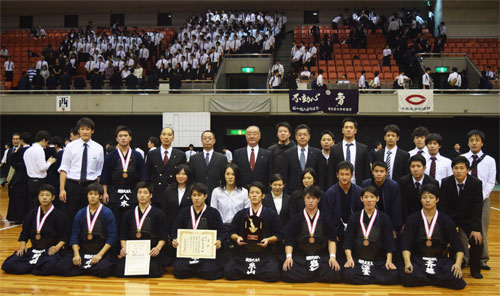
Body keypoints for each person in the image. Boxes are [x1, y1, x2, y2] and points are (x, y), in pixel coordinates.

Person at [401, 184, 466, 289]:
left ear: (437, 199)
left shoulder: (446, 220)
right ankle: (436, 280)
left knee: (456, 280)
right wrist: (408, 263)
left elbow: (458, 246)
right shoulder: (412, 219)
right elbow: (406, 245)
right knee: (406, 277)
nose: (427, 200)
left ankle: (426, 279)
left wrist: (457, 264)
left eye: (431, 197)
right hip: (418, 259)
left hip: (440, 260)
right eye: (424, 197)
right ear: (420, 200)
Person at [2, 184, 67, 275]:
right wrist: (22, 246)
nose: (44, 198)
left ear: (53, 197)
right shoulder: (32, 214)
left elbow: (65, 236)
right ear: (38, 197)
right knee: (8, 264)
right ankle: (34, 268)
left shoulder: (59, 215)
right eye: (42, 195)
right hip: (34, 249)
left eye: (47, 195)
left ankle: (28, 268)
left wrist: (57, 247)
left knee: (49, 266)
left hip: (50, 250)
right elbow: (24, 233)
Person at [281, 185, 341, 283]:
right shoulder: (296, 219)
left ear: (318, 199)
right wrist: (288, 257)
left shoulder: (326, 218)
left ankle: (308, 276)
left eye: (313, 198)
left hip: (321, 256)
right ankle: (316, 275)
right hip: (301, 256)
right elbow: (289, 240)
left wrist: (332, 257)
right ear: (304, 198)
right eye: (308, 198)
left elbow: (332, 239)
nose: (310, 201)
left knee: (335, 272)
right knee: (287, 271)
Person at [224, 181, 282, 282]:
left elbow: (279, 235)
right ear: (248, 195)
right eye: (252, 193)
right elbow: (231, 233)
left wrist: (268, 240)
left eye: (257, 193)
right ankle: (256, 273)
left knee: (273, 275)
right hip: (244, 253)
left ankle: (248, 273)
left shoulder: (271, 214)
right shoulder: (241, 214)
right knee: (229, 272)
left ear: (263, 196)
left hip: (263, 254)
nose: (254, 195)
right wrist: (237, 238)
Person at [56, 183, 117, 277]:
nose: (92, 197)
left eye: (95, 194)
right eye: (90, 194)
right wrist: (76, 255)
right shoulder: (80, 213)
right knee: (61, 267)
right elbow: (74, 235)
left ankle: (85, 269)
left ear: (100, 196)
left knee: (104, 270)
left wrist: (100, 255)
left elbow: (112, 237)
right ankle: (88, 268)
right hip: (84, 251)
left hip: (100, 252)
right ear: (87, 196)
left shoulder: (107, 213)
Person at [342, 186, 399, 285]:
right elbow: (348, 240)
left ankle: (364, 279)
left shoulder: (384, 218)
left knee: (393, 275)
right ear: (361, 199)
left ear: (377, 199)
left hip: (377, 260)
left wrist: (389, 261)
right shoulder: (354, 217)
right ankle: (373, 278)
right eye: (366, 197)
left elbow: (389, 242)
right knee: (346, 273)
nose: (369, 200)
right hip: (358, 259)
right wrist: (349, 258)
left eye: (372, 197)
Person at [439, 156, 483, 279]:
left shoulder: (476, 183)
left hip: (469, 219)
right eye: (455, 168)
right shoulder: (446, 182)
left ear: (467, 169)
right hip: (451, 218)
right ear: (452, 169)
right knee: (446, 238)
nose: (458, 171)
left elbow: (477, 207)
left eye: (462, 168)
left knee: (477, 240)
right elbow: (443, 206)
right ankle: (451, 265)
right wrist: (447, 224)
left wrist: (476, 228)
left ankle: (475, 269)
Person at [172, 183, 226, 280]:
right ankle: (196, 270)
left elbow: (222, 231)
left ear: (205, 196)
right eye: (194, 195)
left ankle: (196, 269)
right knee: (179, 272)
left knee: (211, 273)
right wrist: (174, 239)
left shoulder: (213, 212)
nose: (197, 198)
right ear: (191, 197)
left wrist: (219, 241)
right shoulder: (184, 212)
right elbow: (175, 230)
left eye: (199, 195)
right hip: (187, 252)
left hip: (206, 252)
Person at [115, 182, 168, 277]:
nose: (142, 195)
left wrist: (157, 249)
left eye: (145, 193)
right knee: (119, 271)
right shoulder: (128, 214)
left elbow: (163, 236)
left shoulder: (159, 214)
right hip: (132, 252)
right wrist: (124, 248)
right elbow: (123, 236)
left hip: (150, 252)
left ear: (151, 195)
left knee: (153, 271)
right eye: (139, 192)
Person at [100, 126, 148, 228]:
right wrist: (104, 192)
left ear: (130, 138)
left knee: (132, 221)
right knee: (116, 221)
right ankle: (116, 243)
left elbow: (143, 177)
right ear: (117, 139)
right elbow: (105, 176)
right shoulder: (110, 156)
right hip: (114, 192)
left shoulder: (137, 156)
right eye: (120, 136)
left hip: (133, 192)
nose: (123, 138)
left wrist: (142, 193)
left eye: (125, 135)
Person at [462, 130, 496, 271]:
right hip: (464, 200)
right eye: (471, 140)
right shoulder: (462, 158)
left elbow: (490, 182)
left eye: (477, 140)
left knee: (481, 229)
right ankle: (464, 258)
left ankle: (482, 258)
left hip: (482, 200)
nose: (474, 142)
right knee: (463, 231)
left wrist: (479, 198)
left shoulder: (490, 160)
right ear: (468, 142)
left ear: (482, 142)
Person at [59, 117, 104, 222]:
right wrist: (62, 189)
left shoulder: (98, 148)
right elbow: (64, 169)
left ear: (92, 131)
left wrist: (99, 191)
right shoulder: (70, 147)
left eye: (88, 129)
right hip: (73, 185)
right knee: (70, 215)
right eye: (82, 129)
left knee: (89, 216)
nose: (85, 132)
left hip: (90, 186)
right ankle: (70, 238)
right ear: (78, 130)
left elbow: (99, 172)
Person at [322, 162, 363, 259]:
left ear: (352, 175)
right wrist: (333, 233)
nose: (344, 177)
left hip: (356, 231)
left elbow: (362, 213)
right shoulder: (330, 193)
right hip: (337, 232)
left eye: (347, 174)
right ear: (337, 175)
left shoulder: (359, 191)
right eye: (342, 174)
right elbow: (327, 216)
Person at [146, 127, 187, 208]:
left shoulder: (180, 155)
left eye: (169, 135)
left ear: (173, 138)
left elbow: (183, 175)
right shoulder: (152, 154)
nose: (166, 137)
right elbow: (147, 174)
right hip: (156, 195)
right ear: (160, 137)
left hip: (174, 194)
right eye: (164, 134)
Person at [361, 162, 403, 233]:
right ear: (372, 172)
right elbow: (362, 205)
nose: (379, 174)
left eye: (382, 171)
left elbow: (396, 208)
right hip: (369, 221)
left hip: (387, 220)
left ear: (386, 173)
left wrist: (393, 228)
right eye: (376, 171)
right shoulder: (365, 184)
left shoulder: (393, 186)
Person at [189, 130, 228, 204]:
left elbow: (224, 178)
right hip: (198, 195)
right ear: (201, 140)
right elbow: (191, 178)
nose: (207, 140)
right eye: (205, 138)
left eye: (210, 138)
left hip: (216, 194)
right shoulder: (194, 158)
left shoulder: (222, 158)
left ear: (214, 141)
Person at [398, 155, 439, 223]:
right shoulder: (402, 182)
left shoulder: (433, 182)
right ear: (409, 168)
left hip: (427, 219)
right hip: (408, 219)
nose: (415, 169)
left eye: (418, 166)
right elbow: (401, 204)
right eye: (413, 166)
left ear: (424, 168)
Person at [283, 124, 323, 194]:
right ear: (295, 137)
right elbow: (285, 175)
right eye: (299, 135)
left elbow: (320, 174)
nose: (302, 137)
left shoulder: (317, 153)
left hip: (313, 192)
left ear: (309, 136)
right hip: (293, 192)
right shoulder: (288, 153)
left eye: (305, 135)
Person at [23, 130, 57, 210]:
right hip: (39, 182)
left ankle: (33, 221)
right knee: (40, 205)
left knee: (32, 204)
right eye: (47, 143)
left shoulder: (27, 150)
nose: (46, 145)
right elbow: (42, 168)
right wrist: (49, 162)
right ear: (43, 140)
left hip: (30, 181)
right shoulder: (39, 150)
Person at [332, 118, 371, 186]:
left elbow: (367, 171)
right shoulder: (334, 149)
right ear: (342, 130)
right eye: (346, 127)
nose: (348, 130)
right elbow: (331, 172)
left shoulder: (363, 148)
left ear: (355, 130)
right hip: (339, 186)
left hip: (358, 186)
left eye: (351, 127)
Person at [232, 126, 273, 191]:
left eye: (254, 134)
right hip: (241, 191)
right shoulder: (237, 153)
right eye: (249, 134)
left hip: (261, 192)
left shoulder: (267, 154)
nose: (252, 136)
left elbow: (270, 175)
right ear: (245, 136)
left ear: (259, 136)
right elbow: (234, 173)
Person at [161, 164, 193, 240]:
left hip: (188, 226)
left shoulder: (192, 190)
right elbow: (164, 211)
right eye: (178, 174)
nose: (180, 176)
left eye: (183, 174)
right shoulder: (168, 190)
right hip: (171, 226)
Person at [7, 132, 31, 223]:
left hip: (20, 177)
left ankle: (17, 217)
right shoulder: (32, 149)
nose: (16, 141)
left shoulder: (21, 150)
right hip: (27, 177)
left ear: (21, 140)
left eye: (18, 139)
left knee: (18, 198)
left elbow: (13, 162)